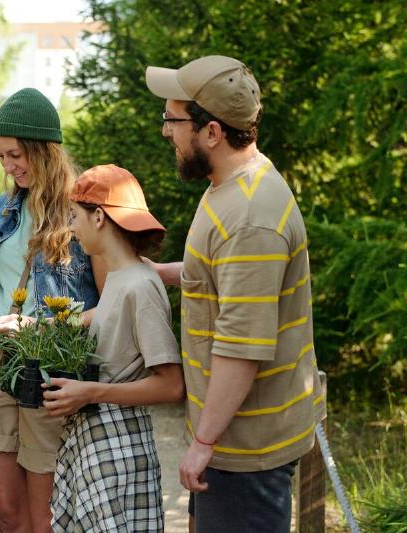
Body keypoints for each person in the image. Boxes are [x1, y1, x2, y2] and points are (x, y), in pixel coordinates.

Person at [145, 55, 325, 532]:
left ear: (212, 132)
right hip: (233, 441)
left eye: (173, 119)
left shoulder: (250, 218)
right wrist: (157, 273)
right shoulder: (231, 187)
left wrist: (203, 442)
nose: (166, 130)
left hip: (245, 453)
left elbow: (243, 348)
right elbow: (224, 278)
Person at [0, 88, 101, 533]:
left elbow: (111, 301)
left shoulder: (82, 211)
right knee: (10, 514)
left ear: (43, 149)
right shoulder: (2, 210)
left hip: (50, 372)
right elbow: (5, 291)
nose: (8, 166)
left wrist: (46, 324)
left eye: (15, 154)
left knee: (45, 518)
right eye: (1, 156)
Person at [31, 164, 184, 531]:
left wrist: (90, 392)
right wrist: (41, 324)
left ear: (99, 216)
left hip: (120, 445)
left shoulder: (141, 285)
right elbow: (107, 317)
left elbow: (171, 384)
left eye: (74, 216)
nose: (71, 228)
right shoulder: (120, 277)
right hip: (100, 441)